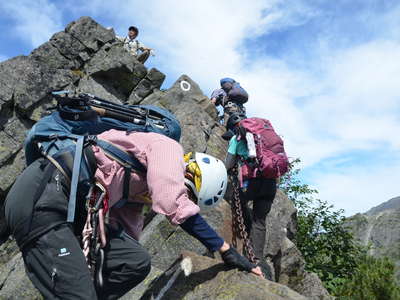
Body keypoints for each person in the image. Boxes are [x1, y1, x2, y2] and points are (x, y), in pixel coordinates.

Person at [5, 129, 261, 299]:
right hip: (46, 198)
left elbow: (126, 234)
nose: (186, 200)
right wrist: (225, 249)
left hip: (66, 206)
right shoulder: (167, 148)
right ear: (191, 176)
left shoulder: (135, 187)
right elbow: (172, 201)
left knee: (135, 261)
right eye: (190, 194)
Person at [224, 113, 277, 278]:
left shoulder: (236, 139)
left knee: (235, 201)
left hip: (251, 181)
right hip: (270, 182)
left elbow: (229, 163)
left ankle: (243, 234)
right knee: (260, 221)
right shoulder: (265, 139)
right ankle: (257, 260)